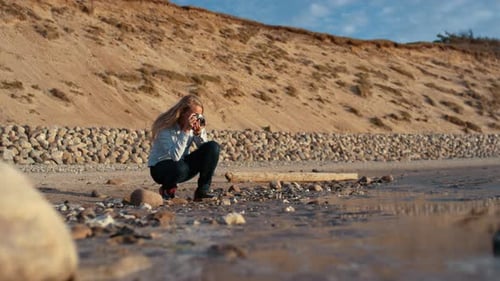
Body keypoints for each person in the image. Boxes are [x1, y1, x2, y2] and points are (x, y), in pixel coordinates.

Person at [148, 95, 220, 201]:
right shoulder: (166, 128)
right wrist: (185, 130)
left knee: (213, 147)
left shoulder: (195, 124)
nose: (196, 119)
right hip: (161, 168)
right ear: (182, 113)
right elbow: (175, 156)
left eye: (199, 116)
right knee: (179, 168)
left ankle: (202, 191)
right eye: (194, 115)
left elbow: (206, 152)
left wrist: (198, 133)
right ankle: (167, 188)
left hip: (181, 164)